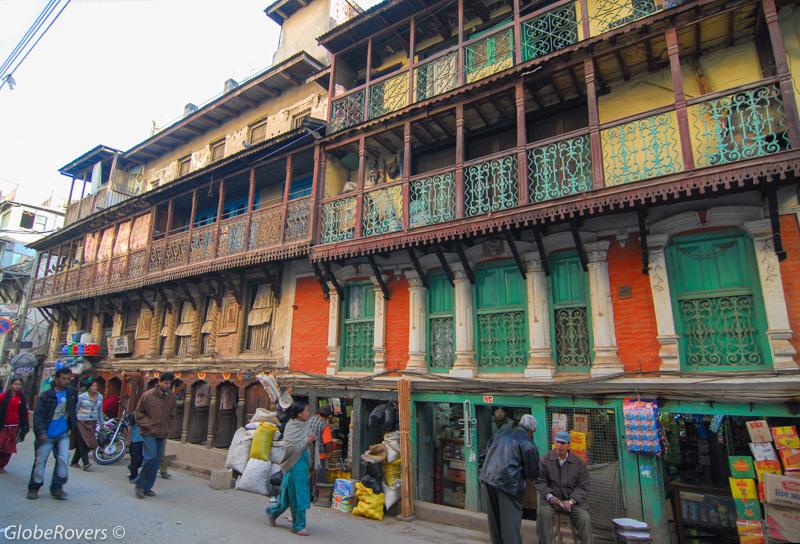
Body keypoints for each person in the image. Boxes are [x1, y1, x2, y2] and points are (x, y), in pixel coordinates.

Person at [479, 413, 540, 544]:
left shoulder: (500, 434)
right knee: (510, 523)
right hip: (509, 484)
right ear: (531, 431)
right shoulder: (528, 443)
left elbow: (483, 456)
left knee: (494, 520)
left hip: (489, 479)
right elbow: (533, 473)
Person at [27, 368, 77, 500]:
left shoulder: (71, 393)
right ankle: (34, 487)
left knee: (63, 460)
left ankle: (57, 487)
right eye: (63, 379)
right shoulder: (46, 395)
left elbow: (72, 412)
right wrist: (41, 433)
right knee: (40, 461)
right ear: (56, 379)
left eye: (68, 379)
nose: (66, 381)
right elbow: (38, 416)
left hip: (63, 434)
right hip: (46, 434)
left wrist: (73, 429)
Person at [267, 400, 315, 536]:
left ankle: (273, 512)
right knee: (298, 494)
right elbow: (290, 447)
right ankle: (298, 525)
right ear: (299, 413)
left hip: (303, 462)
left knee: (288, 495)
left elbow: (310, 439)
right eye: (306, 411)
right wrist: (307, 441)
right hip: (294, 463)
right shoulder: (291, 426)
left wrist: (310, 440)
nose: (308, 413)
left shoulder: (305, 425)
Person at [535, 431, 593, 544]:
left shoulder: (577, 463)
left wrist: (571, 501)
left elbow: (583, 485)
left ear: (569, 445)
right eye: (557, 442)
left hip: (572, 501)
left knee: (584, 518)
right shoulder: (545, 460)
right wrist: (550, 497)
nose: (560, 446)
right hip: (551, 500)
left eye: (563, 443)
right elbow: (539, 481)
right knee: (544, 514)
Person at [133, 372, 176, 499]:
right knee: (150, 457)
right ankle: (139, 484)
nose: (167, 386)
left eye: (169, 383)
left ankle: (147, 487)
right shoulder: (148, 395)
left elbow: (172, 415)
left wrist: (168, 427)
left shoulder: (171, 397)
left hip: (162, 433)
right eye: (165, 383)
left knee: (156, 461)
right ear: (159, 382)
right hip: (149, 431)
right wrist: (147, 425)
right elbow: (139, 413)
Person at [71, 379, 104, 471]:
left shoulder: (100, 397)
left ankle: (74, 461)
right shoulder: (82, 397)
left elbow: (100, 410)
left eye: (96, 386)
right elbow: (76, 408)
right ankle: (86, 463)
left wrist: (102, 423)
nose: (95, 388)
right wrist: (74, 421)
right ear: (88, 388)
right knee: (83, 442)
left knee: (89, 442)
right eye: (93, 386)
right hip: (81, 421)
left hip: (92, 422)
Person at [0, 377, 29, 473]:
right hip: (3, 426)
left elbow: (25, 413)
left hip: (14, 427)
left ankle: (2, 465)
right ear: (11, 385)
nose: (17, 386)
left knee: (8, 448)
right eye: (15, 384)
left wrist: (25, 426)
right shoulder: (3, 396)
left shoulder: (22, 398)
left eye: (19, 384)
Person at [307, 404, 334, 501]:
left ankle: (307, 495)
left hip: (308, 451)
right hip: (320, 454)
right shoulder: (324, 425)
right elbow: (327, 443)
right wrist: (329, 453)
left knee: (309, 474)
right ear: (328, 416)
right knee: (319, 476)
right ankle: (317, 497)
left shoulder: (311, 419)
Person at [127, 413, 143, 483]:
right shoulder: (134, 415)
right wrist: (128, 439)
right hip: (135, 440)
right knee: (134, 459)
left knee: (141, 459)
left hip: (144, 440)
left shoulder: (148, 415)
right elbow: (129, 428)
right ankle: (133, 476)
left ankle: (131, 467)